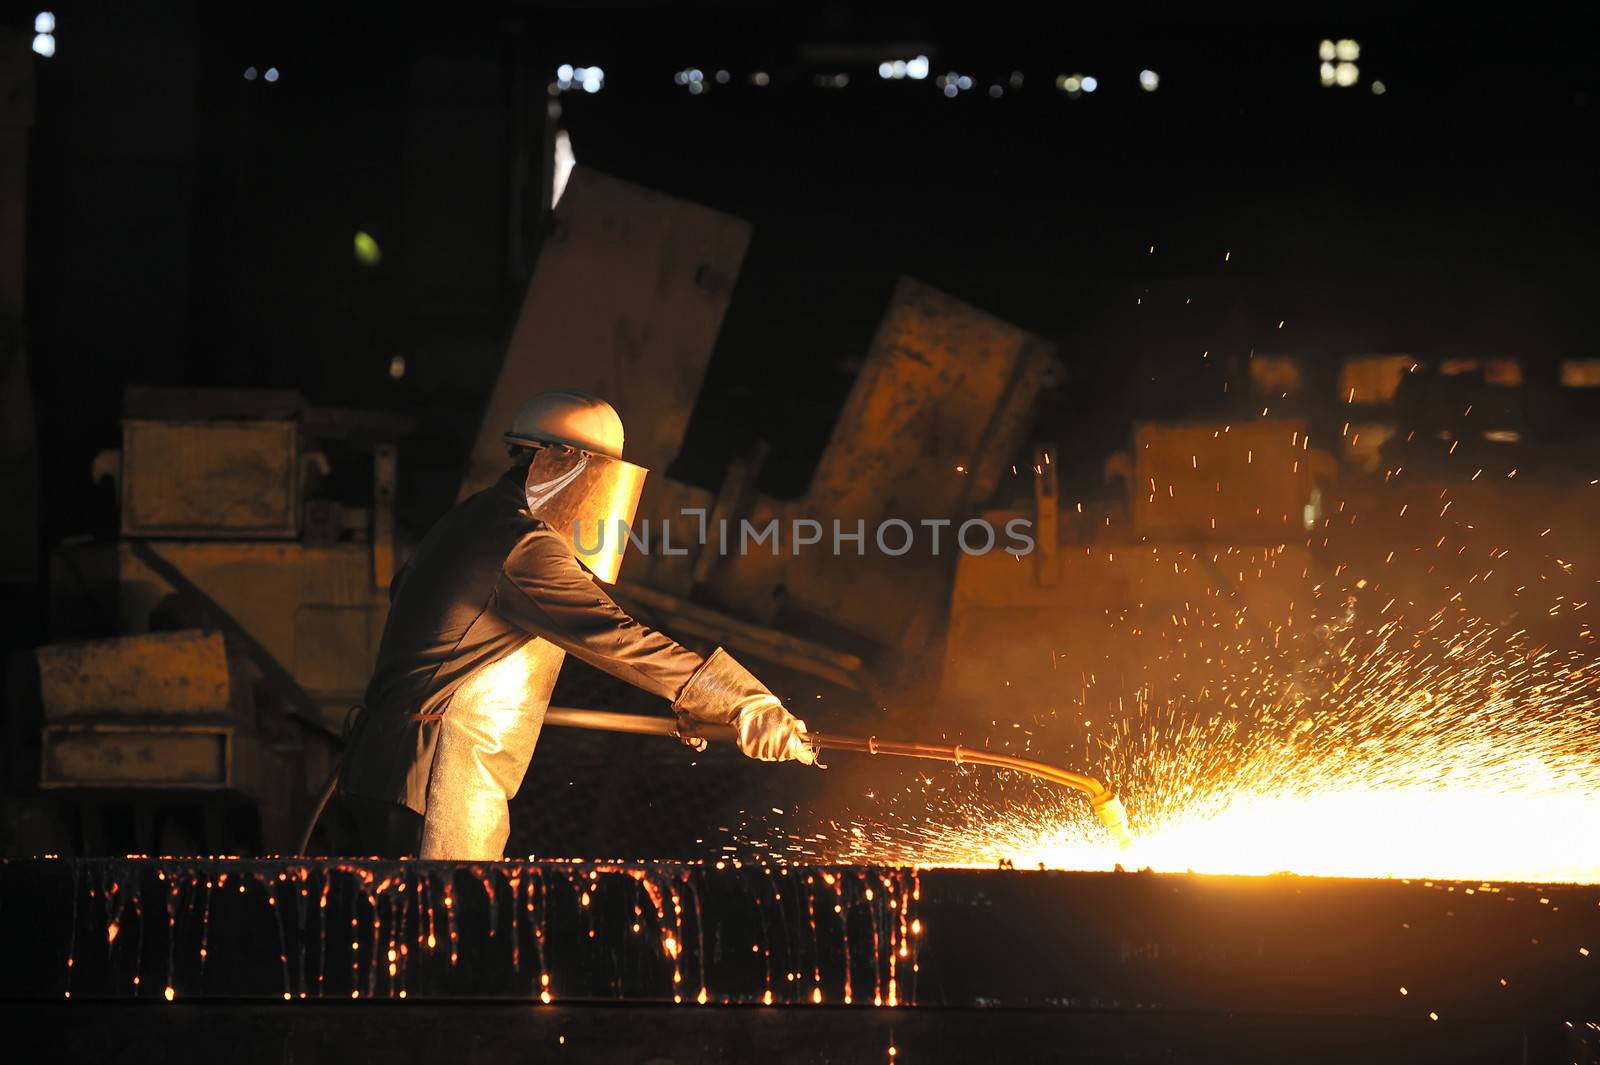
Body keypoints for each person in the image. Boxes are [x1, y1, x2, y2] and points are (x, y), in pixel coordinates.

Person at [335, 390, 814, 859]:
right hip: (431, 776)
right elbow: (613, 637)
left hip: (389, 769)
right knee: (444, 927)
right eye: (596, 474)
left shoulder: (480, 516)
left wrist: (698, 701)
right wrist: (741, 703)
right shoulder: (520, 544)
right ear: (558, 461)